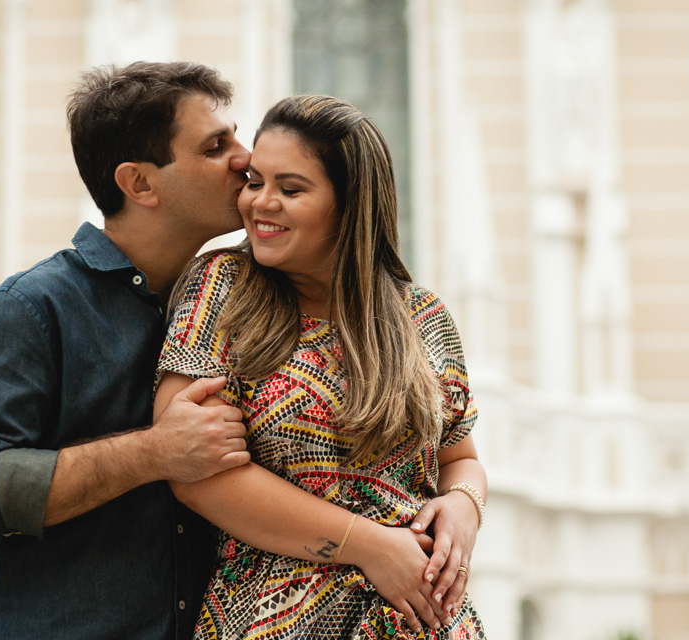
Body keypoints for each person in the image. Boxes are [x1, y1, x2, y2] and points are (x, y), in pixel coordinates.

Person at [0, 62, 474, 640]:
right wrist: (153, 453)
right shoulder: (34, 308)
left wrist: (464, 502)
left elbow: (457, 455)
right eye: (217, 146)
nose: (243, 160)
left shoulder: (232, 298)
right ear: (140, 184)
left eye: (239, 138)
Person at [154, 94, 488, 638]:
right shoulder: (221, 289)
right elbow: (195, 475)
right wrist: (370, 546)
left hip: (428, 622)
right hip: (273, 620)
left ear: (351, 204)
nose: (261, 203)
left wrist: (464, 506)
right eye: (255, 181)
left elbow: (460, 457)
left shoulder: (422, 317)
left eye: (290, 189)